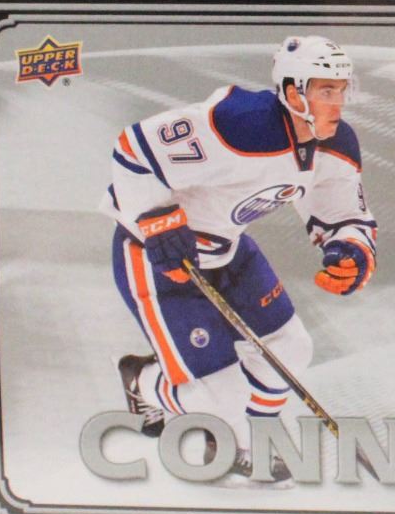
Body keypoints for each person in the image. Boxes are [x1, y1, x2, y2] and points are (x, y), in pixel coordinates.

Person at [103, 36, 377, 480]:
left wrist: (349, 249)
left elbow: (344, 213)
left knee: (291, 348)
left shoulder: (337, 143)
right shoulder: (239, 124)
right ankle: (142, 382)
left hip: (227, 250)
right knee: (219, 397)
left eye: (343, 90)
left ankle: (247, 441)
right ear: (293, 93)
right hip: (157, 260)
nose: (339, 103)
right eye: (327, 90)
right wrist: (157, 220)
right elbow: (134, 149)